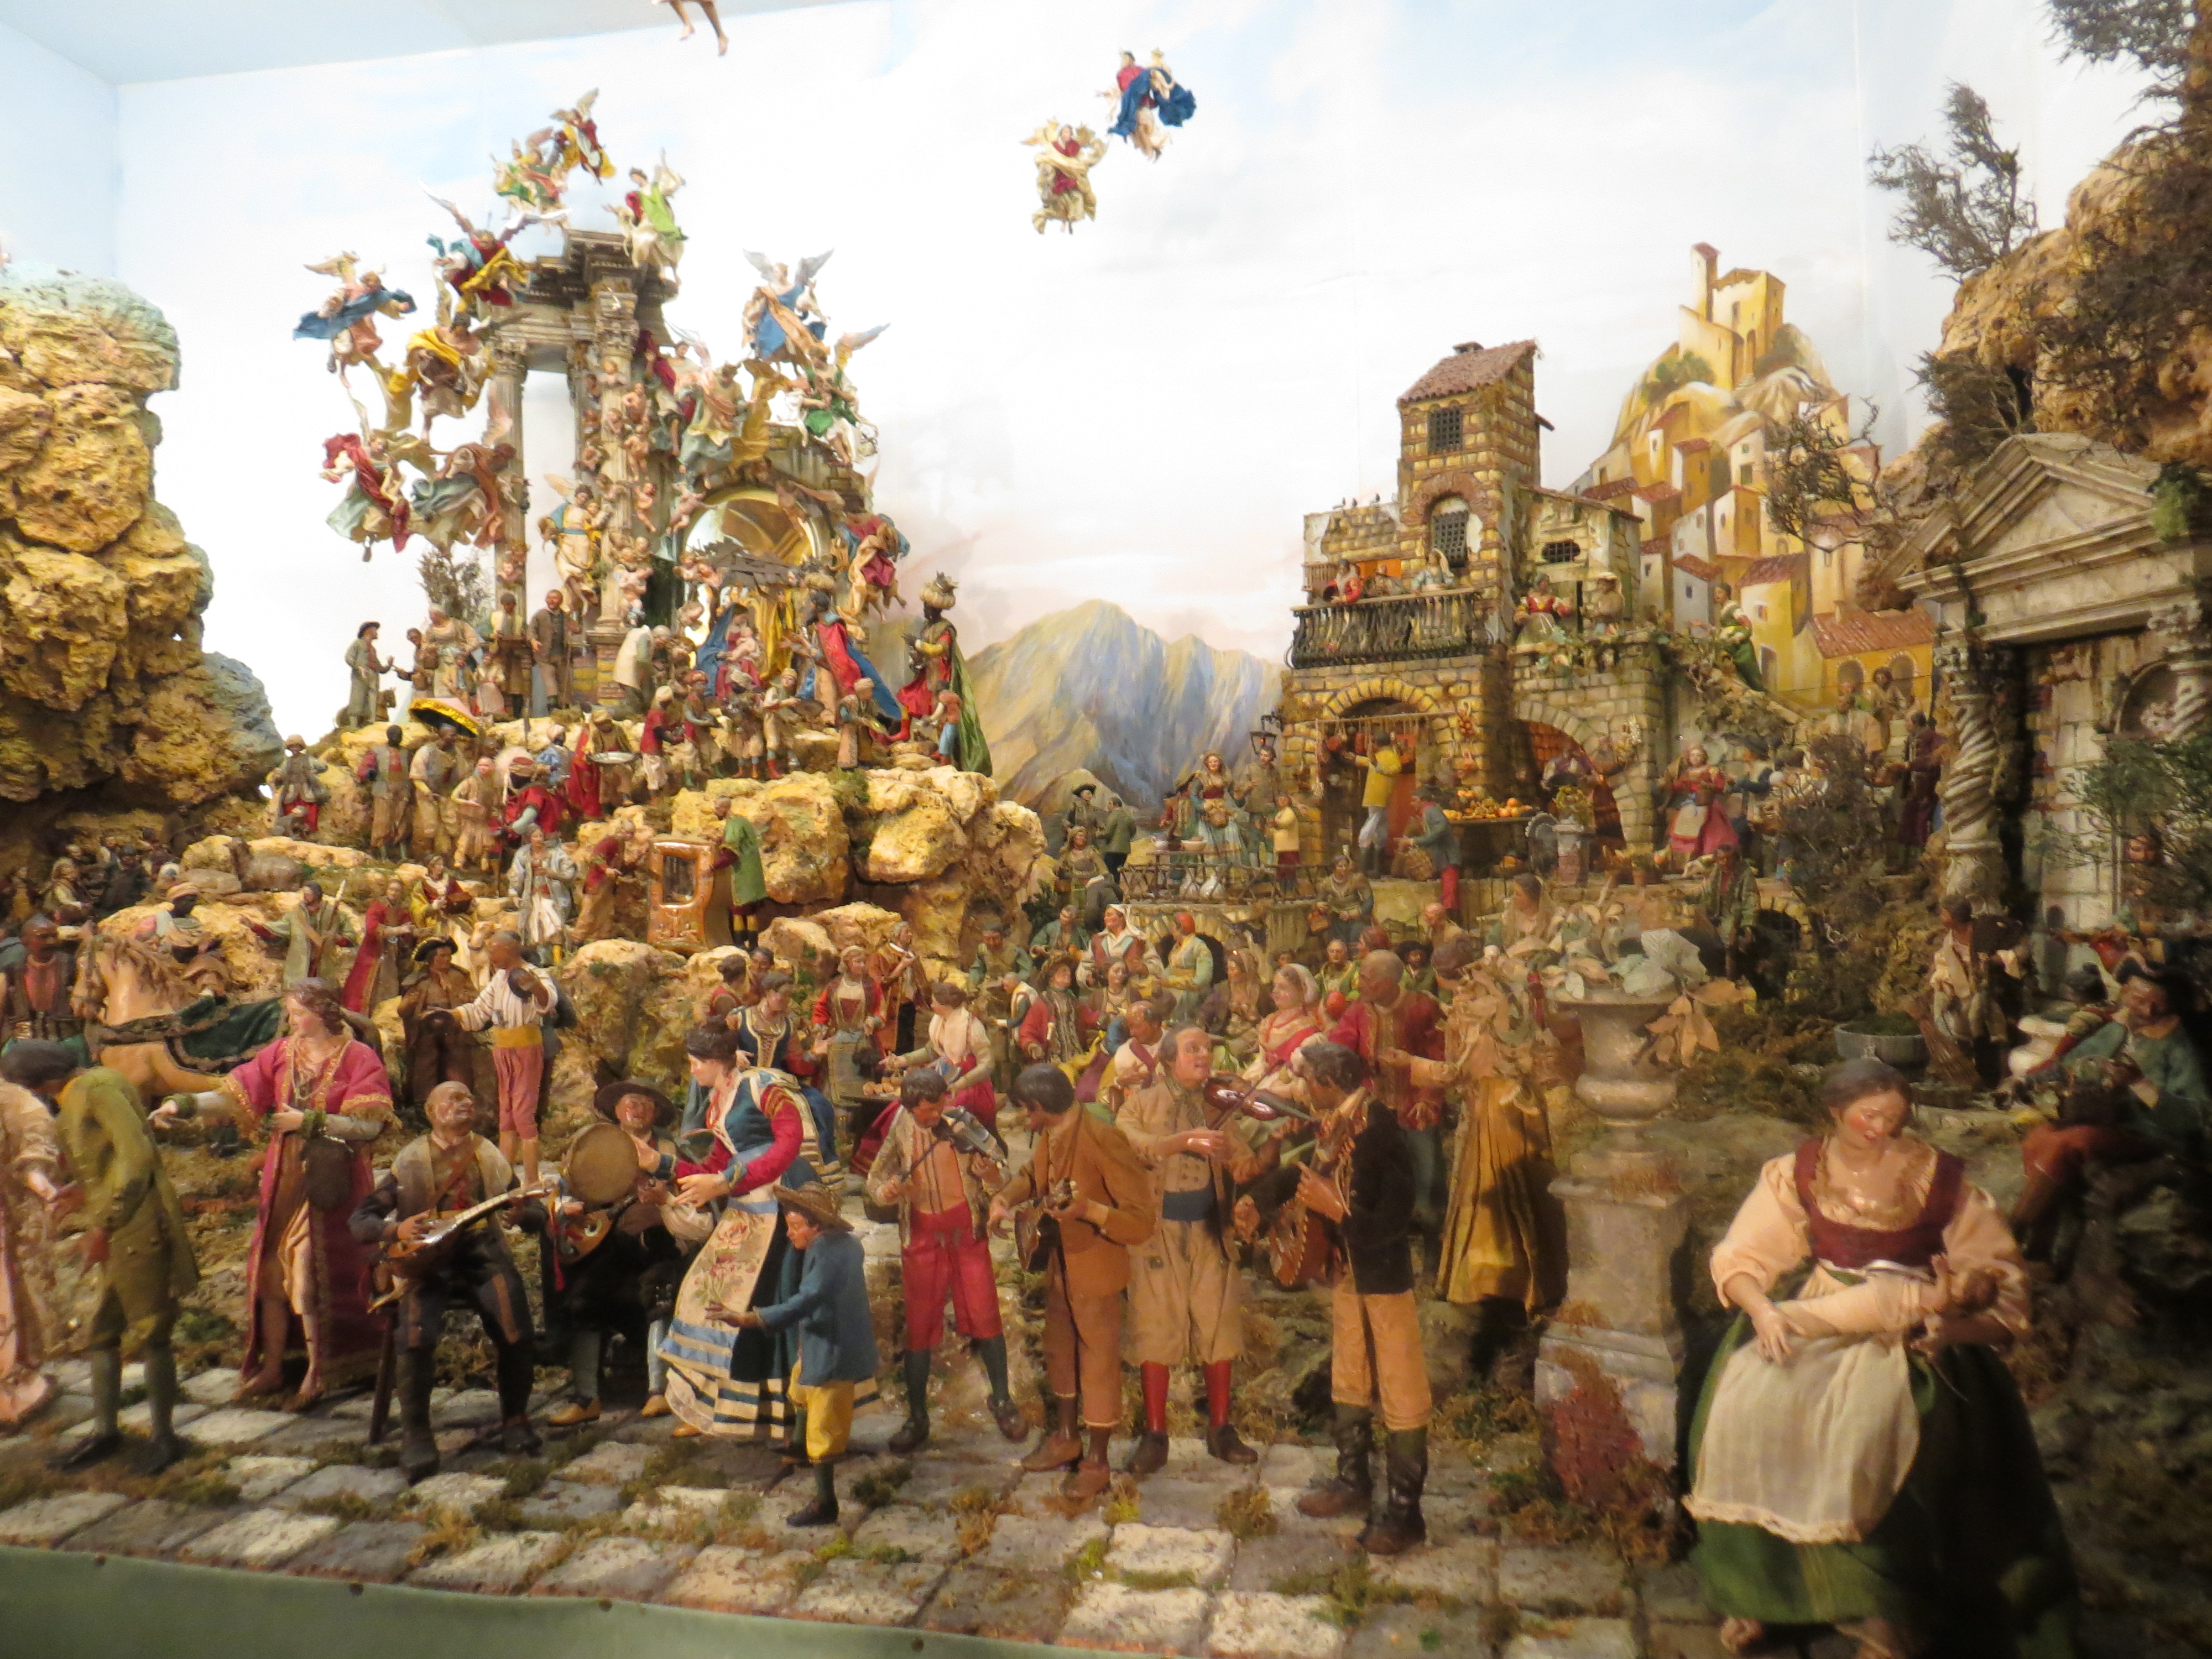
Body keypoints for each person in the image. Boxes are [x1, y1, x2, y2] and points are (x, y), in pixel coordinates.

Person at [1686, 1059, 2074, 1658]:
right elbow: (1744, 1252)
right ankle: (1763, 1591)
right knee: (1749, 1404)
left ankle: (1885, 1610)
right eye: (1869, 1116)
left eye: (1894, 1118)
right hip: (1819, 1308)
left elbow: (1995, 1280)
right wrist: (1761, 1310)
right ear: (1836, 1112)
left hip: (1914, 1325)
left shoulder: (1940, 1180)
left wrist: (1951, 1322)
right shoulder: (1799, 1171)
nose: (1882, 1129)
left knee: (1869, 1427)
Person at [157, 980, 390, 1408]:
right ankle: (275, 1366)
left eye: (299, 1013)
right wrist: (183, 1106)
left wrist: (311, 1122)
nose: (292, 1020)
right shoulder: (282, 1052)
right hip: (284, 1175)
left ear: (324, 1012)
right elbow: (236, 1094)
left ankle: (320, 1370)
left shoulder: (359, 1057)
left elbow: (370, 1125)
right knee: (269, 1270)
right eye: (291, 1012)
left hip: (331, 1178)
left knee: (308, 1269)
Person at [1237, 1041, 1432, 1552]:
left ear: (1328, 1083)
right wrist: (1259, 1200)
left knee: (1401, 1386)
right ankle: (1353, 1480)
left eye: (1308, 1081)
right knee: (1350, 1375)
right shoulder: (1335, 1122)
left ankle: (1406, 1511)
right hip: (1347, 1277)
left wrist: (1339, 1213)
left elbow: (1395, 1218)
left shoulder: (1380, 1131)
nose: (1303, 1089)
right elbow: (1305, 1173)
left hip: (1383, 1280)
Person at [10, 1043, 197, 1473]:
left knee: (152, 1331)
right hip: (118, 1220)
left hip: (137, 1224)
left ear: (41, 1083)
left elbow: (136, 1158)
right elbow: (106, 1160)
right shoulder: (84, 1089)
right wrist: (81, 1191)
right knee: (102, 1331)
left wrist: (104, 1225)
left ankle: (164, 1437)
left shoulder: (97, 1090)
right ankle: (105, 1430)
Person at [350, 1080, 547, 1480]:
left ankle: (515, 1418)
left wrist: (523, 1214)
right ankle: (417, 1433)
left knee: (516, 1329)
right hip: (428, 1262)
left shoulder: (489, 1154)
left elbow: (535, 1215)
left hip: (482, 1254)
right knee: (414, 1336)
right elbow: (361, 1220)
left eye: (469, 1097)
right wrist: (397, 1230)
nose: (465, 1103)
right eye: (454, 1098)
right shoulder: (410, 1160)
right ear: (431, 1111)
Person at [648, 1025, 829, 1442]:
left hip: (783, 1204)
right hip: (749, 1208)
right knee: (712, 1293)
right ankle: (725, 1407)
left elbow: (789, 1144)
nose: (693, 1071)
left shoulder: (762, 1087)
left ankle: (796, 1417)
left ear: (715, 1062)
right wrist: (661, 1164)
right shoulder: (719, 1101)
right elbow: (714, 1165)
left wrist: (728, 1181)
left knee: (774, 1298)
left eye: (696, 1063)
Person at [988, 1065, 1154, 1500]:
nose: (1026, 1119)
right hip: (1060, 1265)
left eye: (1028, 1111)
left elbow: (1141, 1221)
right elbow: (1033, 1176)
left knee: (1098, 1362)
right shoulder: (1054, 1134)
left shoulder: (1104, 1139)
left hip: (1096, 1270)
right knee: (1060, 1349)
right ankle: (1066, 1437)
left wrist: (1090, 1211)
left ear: (1042, 1106)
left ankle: (1097, 1461)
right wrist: (1004, 1198)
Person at [1115, 1025, 1255, 1472]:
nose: (1204, 1057)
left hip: (1211, 1231)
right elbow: (1131, 1145)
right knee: (1155, 1327)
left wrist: (1241, 1158)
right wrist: (1176, 1143)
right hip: (1158, 1233)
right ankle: (1156, 1434)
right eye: (1193, 1049)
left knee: (1218, 1326)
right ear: (1168, 1059)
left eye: (1207, 1050)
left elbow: (1244, 1159)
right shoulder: (1140, 1104)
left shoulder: (1218, 1107)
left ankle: (1221, 1428)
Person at [865, 1070, 1026, 1451]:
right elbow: (874, 1181)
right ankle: (918, 1415)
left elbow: (1002, 1168)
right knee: (920, 1325)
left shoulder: (963, 1122)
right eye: (926, 1111)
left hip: (966, 1232)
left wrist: (990, 1175)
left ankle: (1002, 1399)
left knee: (985, 1312)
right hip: (922, 1237)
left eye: (939, 1107)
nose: (935, 1116)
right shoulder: (901, 1128)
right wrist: (889, 1192)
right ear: (910, 1108)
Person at [716, 1167, 878, 1524]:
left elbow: (807, 1300)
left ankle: (825, 1502)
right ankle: (801, 1444)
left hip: (834, 1352)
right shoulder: (834, 1245)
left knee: (825, 1426)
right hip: (819, 1342)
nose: (789, 1233)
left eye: (795, 1226)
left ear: (816, 1225)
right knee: (799, 1391)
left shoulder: (831, 1254)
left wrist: (752, 1319)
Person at [2012, 971, 2208, 1261]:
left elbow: (2196, 1115)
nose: (2144, 1009)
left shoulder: (2178, 1047)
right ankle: (2039, 1248)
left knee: (2067, 1143)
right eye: (2136, 998)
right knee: (2038, 1138)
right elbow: (2068, 1065)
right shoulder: (2119, 1029)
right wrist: (2027, 1081)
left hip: (2149, 1133)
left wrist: (2140, 1083)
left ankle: (2013, 1232)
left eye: (2154, 1004)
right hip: (2102, 1119)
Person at [543, 1082, 689, 1428]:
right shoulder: (597, 1145)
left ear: (655, 1114)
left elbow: (692, 1192)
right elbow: (566, 1188)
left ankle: (659, 1390)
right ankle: (586, 1397)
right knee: (584, 1299)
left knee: (659, 1291)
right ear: (617, 1110)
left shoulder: (671, 1150)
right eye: (630, 1103)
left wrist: (666, 1200)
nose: (637, 1110)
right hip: (608, 1245)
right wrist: (566, 1207)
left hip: (658, 1244)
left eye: (646, 1104)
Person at [1332, 951, 1447, 1267]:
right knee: (1379, 1184)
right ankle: (1387, 1254)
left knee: (1427, 1180)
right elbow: (1341, 1046)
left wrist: (1428, 1098)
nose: (1359, 983)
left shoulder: (1422, 1008)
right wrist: (1356, 1064)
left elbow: (1439, 1056)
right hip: (1376, 1115)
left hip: (1415, 1110)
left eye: (1367, 978)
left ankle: (1433, 1255)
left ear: (1388, 982)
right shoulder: (1359, 1011)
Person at [437, 931, 557, 1186]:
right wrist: (451, 1015)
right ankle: (504, 1179)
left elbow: (547, 1000)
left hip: (525, 1048)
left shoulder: (533, 973)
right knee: (507, 1115)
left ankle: (532, 1179)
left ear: (510, 949)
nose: (490, 955)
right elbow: (480, 1010)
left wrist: (534, 987)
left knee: (524, 1113)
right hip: (503, 1049)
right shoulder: (499, 979)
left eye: (493, 950)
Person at [0, 1052, 63, 1427]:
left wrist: (35, 1171)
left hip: (6, 1219)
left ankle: (12, 1389)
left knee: (11, 1299)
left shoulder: (10, 1099)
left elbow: (35, 1131)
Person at [889, 980, 999, 1130]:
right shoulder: (939, 1021)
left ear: (945, 1005)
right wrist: (903, 1060)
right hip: (945, 1079)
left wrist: (961, 1084)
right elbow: (931, 1051)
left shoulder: (971, 1026)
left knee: (938, 1110)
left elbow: (987, 1064)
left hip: (970, 1086)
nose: (932, 1005)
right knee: (905, 1105)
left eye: (934, 1002)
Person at [813, 946, 884, 1148]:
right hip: (838, 1043)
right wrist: (820, 1026)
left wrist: (873, 1021)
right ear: (847, 964)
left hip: (863, 1043)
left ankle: (860, 1136)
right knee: (835, 1091)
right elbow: (821, 1009)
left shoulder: (871, 986)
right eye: (857, 962)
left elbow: (881, 1011)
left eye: (863, 962)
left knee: (864, 1086)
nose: (862, 966)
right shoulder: (834, 986)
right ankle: (837, 1138)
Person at [398, 936, 477, 1109]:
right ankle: (424, 1102)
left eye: (448, 956)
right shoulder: (418, 981)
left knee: (458, 1062)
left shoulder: (459, 976)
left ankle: (459, 1097)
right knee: (426, 1062)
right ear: (431, 959)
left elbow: (476, 999)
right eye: (442, 956)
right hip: (427, 1029)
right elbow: (403, 1011)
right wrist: (410, 1004)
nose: (447, 960)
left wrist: (468, 999)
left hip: (455, 1026)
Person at [1, 914, 84, 1063]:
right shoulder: (10, 973)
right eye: (43, 937)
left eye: (54, 936)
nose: (51, 942)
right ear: (25, 941)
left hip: (68, 1044)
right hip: (23, 1047)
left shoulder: (75, 968)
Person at [250, 881, 358, 986]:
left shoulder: (335, 915)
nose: (305, 896)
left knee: (323, 992)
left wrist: (336, 937)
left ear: (317, 894)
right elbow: (274, 931)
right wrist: (253, 926)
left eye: (308, 893)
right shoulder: (295, 915)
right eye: (304, 893)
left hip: (324, 966)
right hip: (300, 967)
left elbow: (350, 938)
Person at [341, 874, 414, 1014]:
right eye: (392, 889)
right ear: (386, 890)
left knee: (389, 984)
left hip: (391, 954)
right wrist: (397, 930)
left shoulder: (401, 909)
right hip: (373, 952)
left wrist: (415, 932)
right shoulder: (377, 906)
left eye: (398, 891)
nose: (394, 893)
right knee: (364, 985)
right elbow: (372, 928)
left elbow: (407, 929)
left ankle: (382, 1014)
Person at [509, 827, 578, 961]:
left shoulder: (556, 854)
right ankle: (541, 959)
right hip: (533, 897)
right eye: (535, 836)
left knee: (555, 927)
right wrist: (514, 894)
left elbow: (569, 872)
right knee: (537, 929)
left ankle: (558, 961)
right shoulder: (523, 854)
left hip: (552, 897)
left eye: (541, 836)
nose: (538, 839)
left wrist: (552, 874)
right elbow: (516, 875)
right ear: (529, 838)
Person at [712, 796, 767, 950]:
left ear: (724, 809)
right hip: (753, 872)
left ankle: (740, 944)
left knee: (738, 910)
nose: (715, 811)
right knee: (750, 911)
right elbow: (741, 841)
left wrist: (713, 867)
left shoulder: (733, 824)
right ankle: (753, 944)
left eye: (717, 808)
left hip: (743, 873)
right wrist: (721, 840)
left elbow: (731, 854)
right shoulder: (741, 821)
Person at [358, 725, 415, 863]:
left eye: (400, 735)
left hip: (403, 791)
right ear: (389, 736)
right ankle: (383, 856)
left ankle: (403, 856)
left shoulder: (406, 753)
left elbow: (413, 769)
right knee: (382, 822)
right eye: (395, 735)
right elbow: (364, 768)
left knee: (402, 822)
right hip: (384, 791)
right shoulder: (377, 751)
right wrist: (369, 773)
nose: (398, 738)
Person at [1353, 736, 1403, 878]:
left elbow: (1394, 769)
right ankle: (1376, 869)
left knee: (1370, 827)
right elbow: (1371, 762)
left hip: (1377, 797)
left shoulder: (1390, 756)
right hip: (1381, 798)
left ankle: (1364, 867)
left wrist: (1376, 764)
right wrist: (1356, 758)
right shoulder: (1383, 756)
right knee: (1380, 828)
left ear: (1377, 744)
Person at [1406, 787, 1462, 912]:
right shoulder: (1428, 812)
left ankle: (1448, 915)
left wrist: (1414, 841)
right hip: (1444, 858)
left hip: (1448, 857)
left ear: (1423, 800)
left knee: (1450, 892)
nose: (1412, 804)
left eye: (1415, 800)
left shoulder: (1432, 811)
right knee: (1450, 891)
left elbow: (1441, 828)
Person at [271, 737, 332, 836]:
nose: (294, 749)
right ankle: (293, 833)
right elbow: (282, 774)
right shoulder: (287, 762)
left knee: (310, 810)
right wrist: (279, 776)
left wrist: (313, 772)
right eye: (292, 747)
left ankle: (310, 833)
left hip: (306, 789)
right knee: (290, 811)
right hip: (291, 792)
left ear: (301, 747)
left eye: (297, 746)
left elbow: (323, 766)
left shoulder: (308, 759)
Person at [1318, 852, 1374, 949]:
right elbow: (1319, 899)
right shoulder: (1326, 883)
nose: (1344, 869)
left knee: (1357, 944)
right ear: (1334, 868)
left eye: (1346, 866)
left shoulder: (1357, 879)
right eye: (1340, 866)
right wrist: (1319, 905)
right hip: (1337, 919)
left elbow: (1369, 901)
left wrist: (1357, 912)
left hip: (1356, 918)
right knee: (1338, 945)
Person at [530, 589, 573, 713]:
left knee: (564, 682)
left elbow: (576, 628)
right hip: (545, 656)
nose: (552, 601)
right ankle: (552, 707)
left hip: (561, 655)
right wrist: (533, 641)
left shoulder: (565, 616)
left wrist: (574, 629)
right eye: (549, 598)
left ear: (560, 601)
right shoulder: (540, 615)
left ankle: (564, 708)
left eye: (555, 598)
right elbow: (531, 630)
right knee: (550, 681)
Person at [344, 622, 392, 729]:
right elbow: (349, 657)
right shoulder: (358, 643)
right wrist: (358, 667)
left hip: (373, 676)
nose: (377, 633)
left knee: (373, 698)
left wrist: (388, 666)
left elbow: (379, 667)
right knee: (358, 696)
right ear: (368, 631)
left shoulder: (373, 649)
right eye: (375, 631)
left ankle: (371, 721)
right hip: (361, 676)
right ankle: (354, 723)